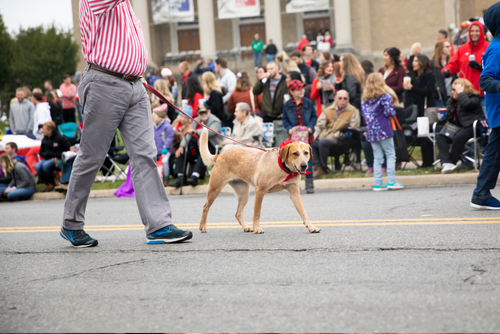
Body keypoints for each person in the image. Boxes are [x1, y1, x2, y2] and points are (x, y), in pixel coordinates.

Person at [61, 0, 193, 247]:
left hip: (134, 85)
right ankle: (71, 223)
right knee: (92, 156)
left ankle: (159, 225)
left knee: (145, 154)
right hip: (104, 82)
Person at [471, 2, 500, 210]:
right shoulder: (497, 49)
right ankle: (480, 194)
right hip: (499, 111)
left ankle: (481, 193)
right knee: (494, 153)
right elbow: (485, 80)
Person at [361, 73, 404, 191]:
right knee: (390, 154)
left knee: (377, 157)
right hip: (383, 129)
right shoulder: (384, 96)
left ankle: (378, 182)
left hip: (371, 131)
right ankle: (391, 181)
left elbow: (364, 115)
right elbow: (389, 112)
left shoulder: (364, 99)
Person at [437, 78, 483, 173]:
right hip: (458, 127)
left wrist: (461, 93)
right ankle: (446, 162)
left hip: (472, 126)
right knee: (441, 136)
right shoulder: (453, 101)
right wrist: (442, 118)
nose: (452, 92)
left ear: (463, 89)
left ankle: (452, 162)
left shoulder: (474, 97)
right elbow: (450, 117)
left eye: (454, 90)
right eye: (452, 89)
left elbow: (467, 105)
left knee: (458, 137)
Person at [312, 89, 360, 178]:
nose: (342, 100)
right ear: (335, 99)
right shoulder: (328, 110)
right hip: (325, 137)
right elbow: (319, 125)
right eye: (340, 98)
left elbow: (353, 129)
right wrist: (314, 135)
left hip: (342, 141)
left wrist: (340, 135)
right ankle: (318, 167)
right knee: (313, 143)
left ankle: (323, 167)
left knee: (323, 142)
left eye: (345, 98)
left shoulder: (353, 111)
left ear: (348, 99)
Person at [170, 108, 221, 188]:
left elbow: (212, 132)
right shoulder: (196, 120)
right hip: (196, 146)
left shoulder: (215, 121)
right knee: (181, 151)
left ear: (209, 111)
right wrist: (181, 146)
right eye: (200, 113)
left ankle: (195, 176)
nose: (202, 115)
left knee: (203, 153)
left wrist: (196, 132)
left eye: (205, 112)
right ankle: (180, 177)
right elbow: (188, 134)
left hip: (211, 146)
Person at [282, 80, 317, 194]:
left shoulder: (308, 102)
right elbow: (285, 119)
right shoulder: (287, 104)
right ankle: (294, 184)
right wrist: (289, 128)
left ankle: (309, 184)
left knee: (307, 160)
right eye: (298, 89)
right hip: (294, 138)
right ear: (291, 91)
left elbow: (313, 116)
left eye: (303, 88)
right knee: (294, 160)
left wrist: (311, 127)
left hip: (306, 137)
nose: (302, 91)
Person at [442, 21, 489, 102]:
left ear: (481, 32)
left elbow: (495, 67)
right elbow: (453, 64)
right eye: (472, 31)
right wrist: (447, 71)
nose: (474, 33)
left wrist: (481, 67)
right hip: (466, 94)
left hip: (483, 94)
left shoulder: (488, 47)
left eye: (477, 31)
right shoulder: (462, 49)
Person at [403, 54, 436, 167]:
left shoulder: (429, 75)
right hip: (415, 109)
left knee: (425, 135)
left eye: (416, 61)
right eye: (413, 61)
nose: (413, 63)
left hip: (425, 109)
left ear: (422, 62)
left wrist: (412, 88)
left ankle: (429, 162)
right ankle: (425, 161)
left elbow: (429, 91)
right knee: (420, 135)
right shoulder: (413, 76)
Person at [35, 121, 73, 192]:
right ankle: (47, 183)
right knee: (38, 166)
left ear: (50, 131)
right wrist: (46, 154)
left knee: (46, 165)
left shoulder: (60, 138)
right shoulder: (44, 140)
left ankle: (52, 183)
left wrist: (54, 154)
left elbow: (67, 149)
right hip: (47, 158)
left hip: (58, 159)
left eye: (44, 129)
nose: (42, 130)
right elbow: (41, 152)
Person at [152, 108, 174, 186]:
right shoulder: (153, 126)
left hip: (166, 150)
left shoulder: (167, 125)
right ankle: (156, 179)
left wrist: (166, 147)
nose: (152, 117)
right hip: (156, 150)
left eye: (154, 116)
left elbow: (170, 137)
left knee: (164, 161)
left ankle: (165, 178)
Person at [430, 41, 455, 107]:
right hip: (438, 96)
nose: (450, 48)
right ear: (441, 48)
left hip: (451, 95)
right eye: (447, 46)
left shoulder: (451, 62)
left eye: (450, 46)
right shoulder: (432, 63)